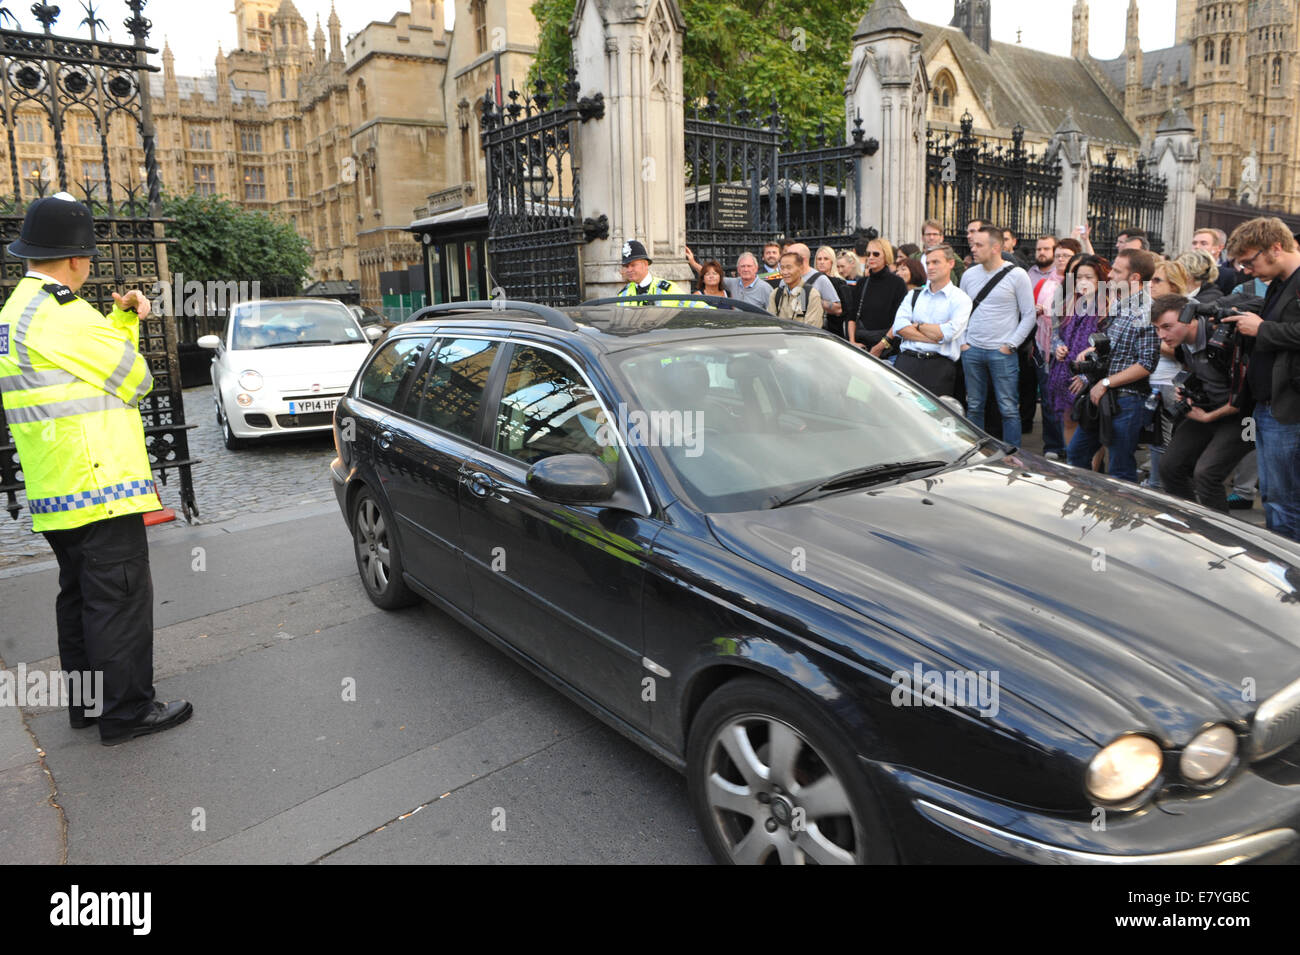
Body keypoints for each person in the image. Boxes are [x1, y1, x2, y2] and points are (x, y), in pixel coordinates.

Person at [0, 193, 193, 746]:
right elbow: (133, 379)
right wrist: (129, 324)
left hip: (57, 486)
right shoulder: (63, 313)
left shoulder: (17, 311)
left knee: (81, 596)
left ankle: (88, 706)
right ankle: (127, 712)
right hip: (99, 482)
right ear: (76, 259)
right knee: (118, 597)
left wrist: (118, 318)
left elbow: (89, 374)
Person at [1221, 217, 1300, 541]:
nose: (1246, 271)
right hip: (1270, 407)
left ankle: (1290, 575)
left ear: (1276, 248)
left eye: (1250, 261)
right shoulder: (1281, 282)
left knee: (1284, 502)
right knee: (1273, 497)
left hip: (1288, 409)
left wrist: (1262, 328)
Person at [1149, 293, 1253, 513]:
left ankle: (1220, 537)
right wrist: (1187, 391)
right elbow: (1199, 373)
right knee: (1169, 467)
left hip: (1243, 417)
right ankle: (1191, 523)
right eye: (1158, 329)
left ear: (1190, 318)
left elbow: (1243, 396)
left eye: (1167, 326)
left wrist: (1207, 417)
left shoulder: (1222, 337)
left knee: (1206, 474)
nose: (1163, 336)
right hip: (1209, 408)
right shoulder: (1181, 344)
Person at [1064, 248, 1160, 483]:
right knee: (1076, 454)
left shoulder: (1147, 311)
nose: (1111, 275)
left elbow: (1146, 363)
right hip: (1102, 396)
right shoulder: (1119, 303)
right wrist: (1092, 351)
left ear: (1135, 278)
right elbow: (1114, 346)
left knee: (1120, 468)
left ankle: (1121, 516)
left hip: (1127, 400)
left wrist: (1106, 383)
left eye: (1117, 271)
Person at [959, 226, 1036, 444]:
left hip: (1002, 353)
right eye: (972, 244)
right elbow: (961, 312)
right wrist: (963, 342)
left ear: (996, 247)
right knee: (974, 406)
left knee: (1009, 408)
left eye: (978, 245)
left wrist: (1010, 345)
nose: (973, 249)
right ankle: (976, 453)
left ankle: (1014, 456)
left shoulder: (1017, 275)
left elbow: (1029, 315)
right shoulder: (968, 275)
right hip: (972, 350)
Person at [889, 244, 971, 398]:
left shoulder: (961, 299)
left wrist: (917, 326)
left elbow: (948, 333)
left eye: (936, 262)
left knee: (933, 417)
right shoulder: (914, 295)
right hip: (907, 362)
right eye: (927, 263)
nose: (930, 267)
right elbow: (899, 327)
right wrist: (934, 337)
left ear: (951, 263)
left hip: (938, 367)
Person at [1045, 255, 1108, 451]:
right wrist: (1058, 346)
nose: (1083, 282)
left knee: (1091, 427)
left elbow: (1108, 345)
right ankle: (1074, 465)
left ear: (1100, 280)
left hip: (1093, 375)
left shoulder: (1109, 306)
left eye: (1089, 277)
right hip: (1064, 370)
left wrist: (1086, 375)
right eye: (1079, 277)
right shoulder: (1066, 303)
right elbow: (1055, 334)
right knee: (1068, 420)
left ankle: (1093, 471)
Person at [1144, 259, 1197, 488]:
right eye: (1150, 280)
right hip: (1154, 379)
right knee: (1156, 440)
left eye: (1157, 280)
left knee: (1166, 442)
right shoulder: (1151, 307)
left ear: (1174, 285)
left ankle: (1160, 485)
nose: (1151, 285)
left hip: (1171, 383)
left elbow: (1185, 353)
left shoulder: (1189, 310)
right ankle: (1158, 481)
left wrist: (1151, 345)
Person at [846, 237, 906, 353]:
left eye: (876, 254)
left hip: (887, 349)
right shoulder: (862, 283)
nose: (871, 257)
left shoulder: (897, 283)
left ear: (886, 255)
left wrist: (880, 346)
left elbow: (899, 320)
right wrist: (852, 342)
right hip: (861, 348)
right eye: (868, 254)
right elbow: (852, 317)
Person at [615, 239, 696, 306]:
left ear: (645, 265)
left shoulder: (667, 289)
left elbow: (694, 305)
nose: (629, 270)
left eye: (633, 265)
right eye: (626, 266)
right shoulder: (623, 294)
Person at [768, 250, 823, 327]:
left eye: (789, 267)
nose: (785, 272)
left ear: (801, 268)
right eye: (782, 268)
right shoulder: (776, 294)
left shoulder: (811, 295)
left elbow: (812, 330)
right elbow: (771, 324)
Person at [1192, 227, 1241, 295]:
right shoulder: (1183, 269)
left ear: (1218, 248)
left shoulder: (1228, 275)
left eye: (1203, 243)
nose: (1197, 247)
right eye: (1194, 243)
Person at [814, 245, 849, 337]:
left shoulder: (840, 283)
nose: (822, 262)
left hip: (834, 331)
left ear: (832, 262)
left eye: (826, 259)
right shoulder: (810, 281)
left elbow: (846, 311)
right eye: (819, 259)